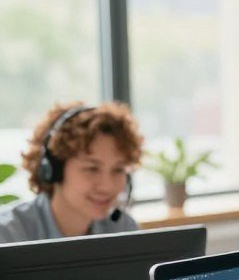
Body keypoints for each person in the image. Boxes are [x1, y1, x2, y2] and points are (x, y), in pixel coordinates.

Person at [0, 102, 142, 243]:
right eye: (92, 168)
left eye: (118, 169)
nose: (107, 186)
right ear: (55, 169)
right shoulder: (8, 235)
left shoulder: (122, 229)